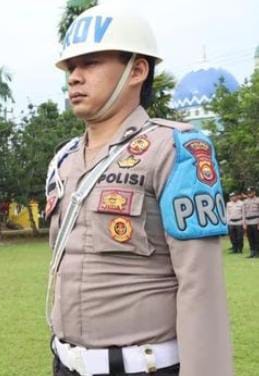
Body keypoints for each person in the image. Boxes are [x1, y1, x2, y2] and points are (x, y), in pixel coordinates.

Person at [44, 4, 232, 376]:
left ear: (138, 69)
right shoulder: (64, 160)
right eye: (71, 67)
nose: (75, 77)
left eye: (91, 63)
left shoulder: (176, 150)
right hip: (67, 364)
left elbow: (201, 286)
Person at [244, 187, 258, 258]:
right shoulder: (245, 201)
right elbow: (244, 213)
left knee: (256, 238)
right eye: (248, 193)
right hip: (248, 222)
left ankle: (257, 253)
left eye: (251, 192)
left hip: (256, 221)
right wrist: (244, 223)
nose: (249, 194)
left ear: (254, 192)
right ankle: (252, 252)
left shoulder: (258, 200)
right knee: (250, 238)